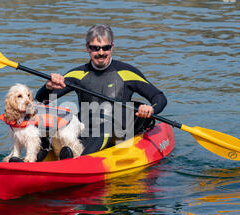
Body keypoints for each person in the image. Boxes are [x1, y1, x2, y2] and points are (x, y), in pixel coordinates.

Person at [35, 24, 167, 159]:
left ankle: (78, 162)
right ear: (87, 48)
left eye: (106, 48)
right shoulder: (77, 74)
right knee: (49, 119)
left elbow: (159, 97)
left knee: (104, 127)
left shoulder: (127, 72)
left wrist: (151, 109)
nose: (101, 52)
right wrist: (48, 87)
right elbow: (42, 100)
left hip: (119, 132)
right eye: (95, 48)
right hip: (87, 129)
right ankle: (36, 159)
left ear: (112, 47)